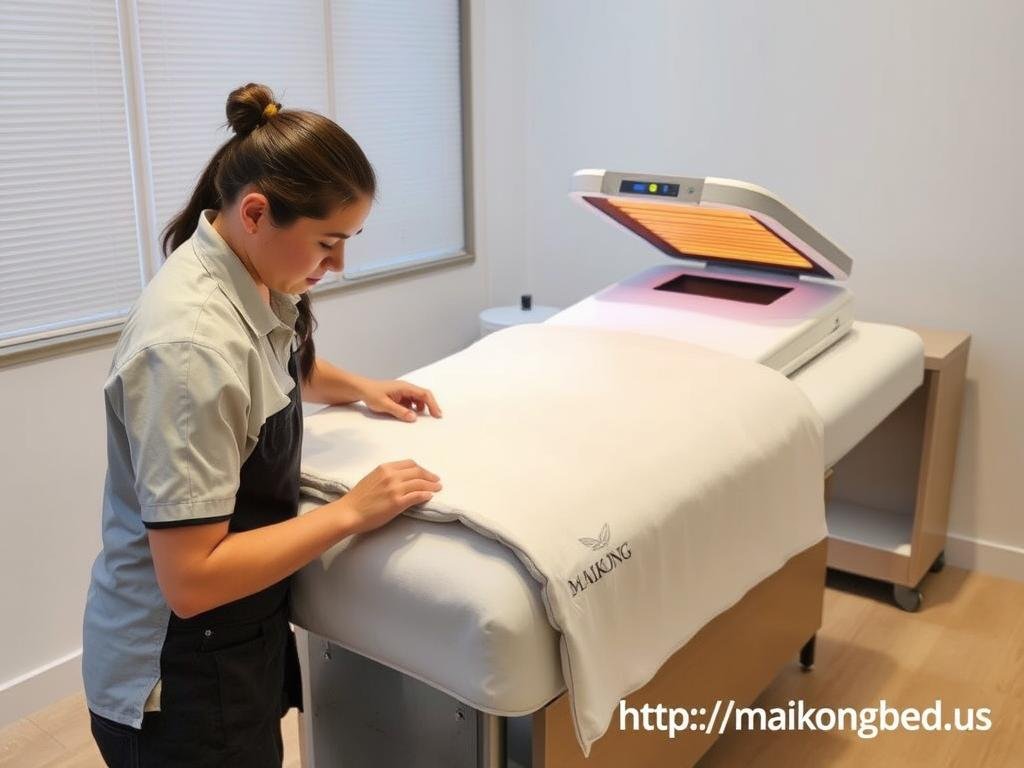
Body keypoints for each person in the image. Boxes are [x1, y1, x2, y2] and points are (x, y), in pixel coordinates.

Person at [81, 82, 443, 767]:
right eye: (327, 243)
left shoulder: (244, 275)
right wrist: (352, 512)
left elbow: (272, 364)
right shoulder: (188, 349)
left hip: (235, 643)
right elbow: (191, 581)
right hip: (179, 677)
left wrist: (361, 388)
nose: (338, 265)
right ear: (256, 212)